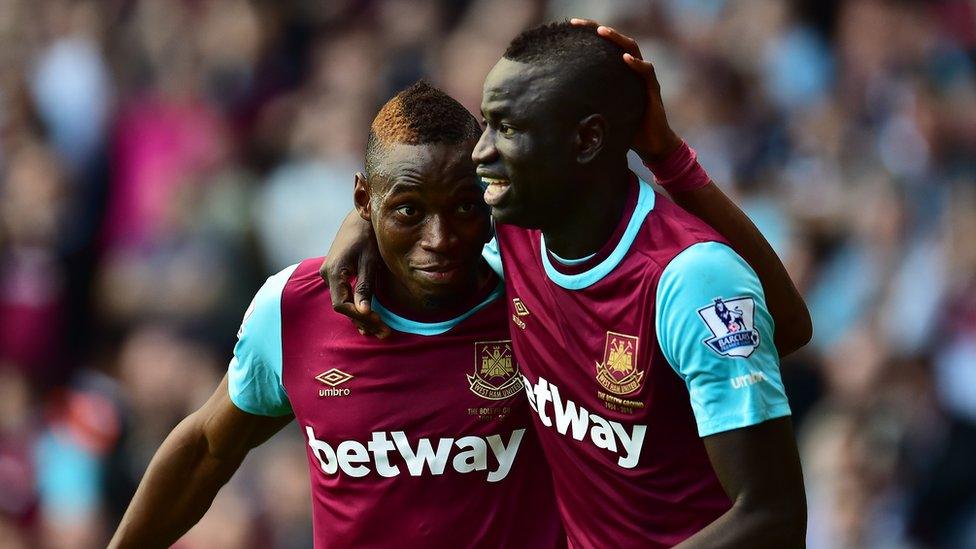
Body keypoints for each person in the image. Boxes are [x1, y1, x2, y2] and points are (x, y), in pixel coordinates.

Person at [323, 21, 809, 547]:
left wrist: (667, 155)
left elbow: (771, 516)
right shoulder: (513, 230)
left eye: (506, 128)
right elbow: (425, 206)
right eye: (486, 124)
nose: (480, 152)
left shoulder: (687, 279)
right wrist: (364, 221)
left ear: (585, 140)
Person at [109, 82, 564, 548]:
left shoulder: (536, 296)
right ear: (364, 202)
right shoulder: (294, 308)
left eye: (464, 207)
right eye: (409, 210)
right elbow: (206, 449)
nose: (439, 237)